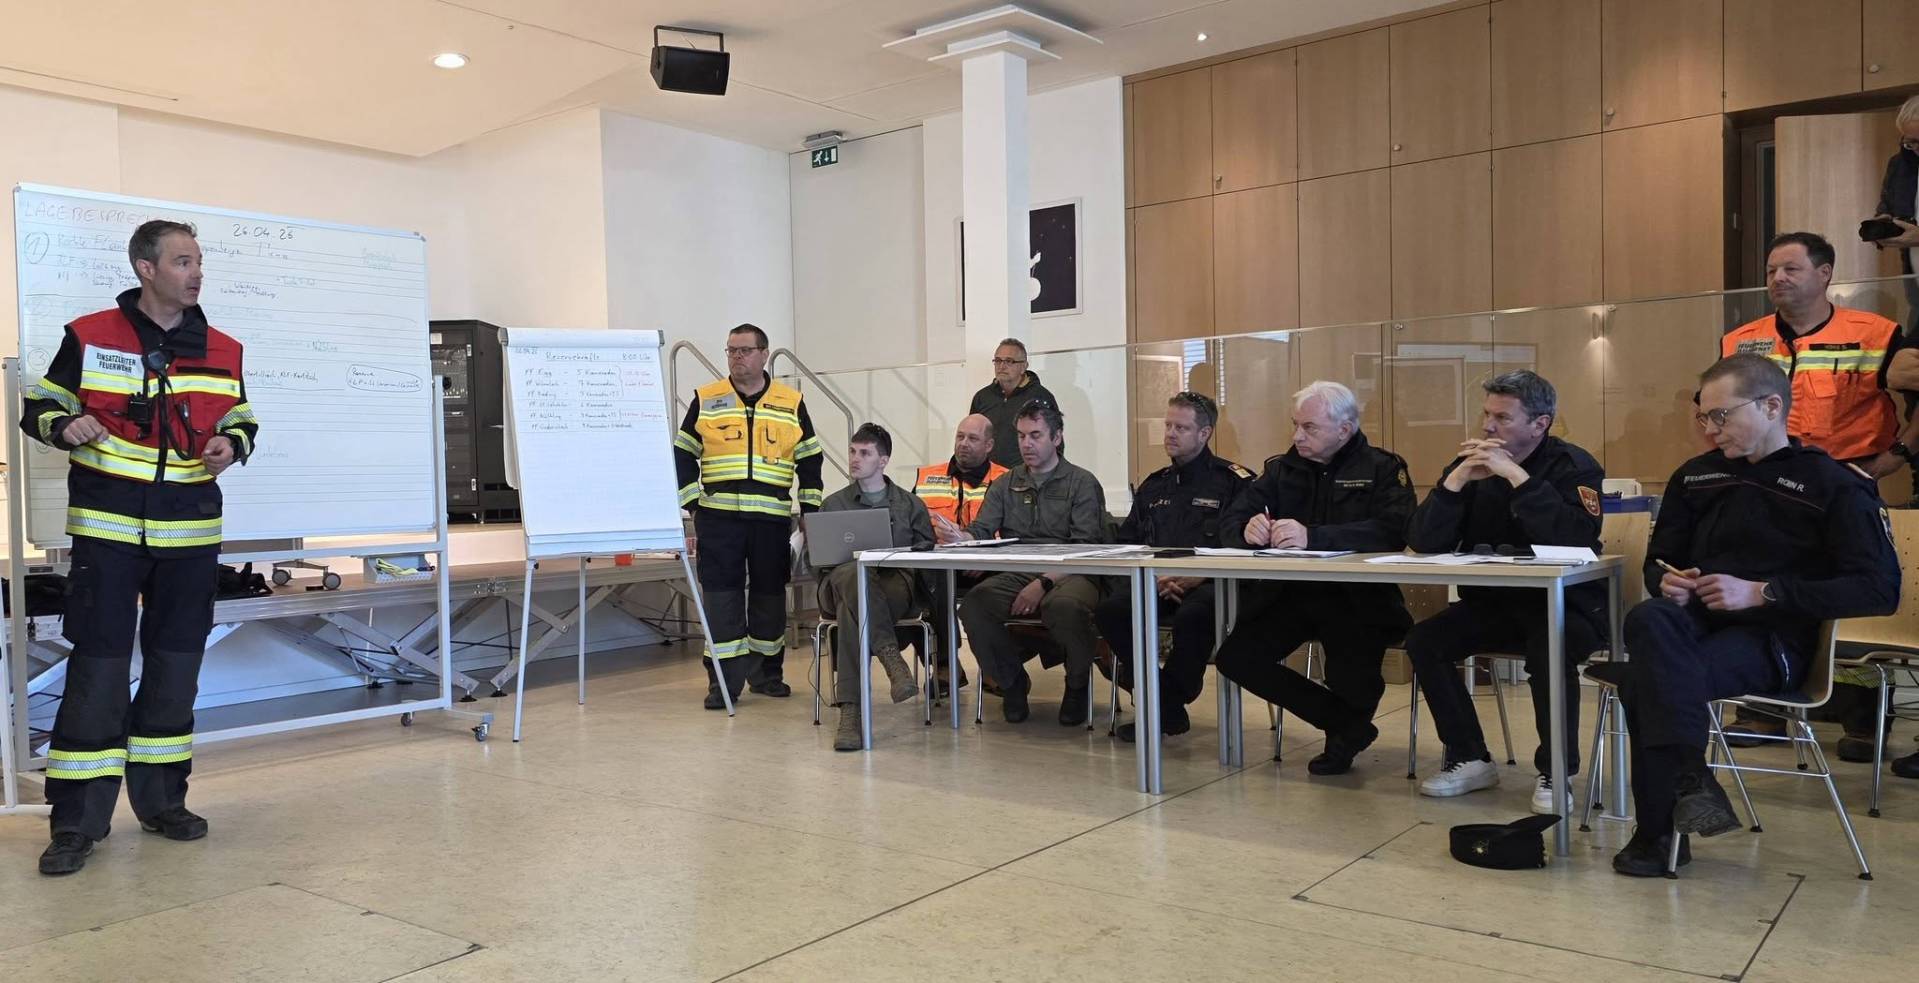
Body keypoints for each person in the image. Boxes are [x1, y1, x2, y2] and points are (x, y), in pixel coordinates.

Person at [22, 220, 260, 876]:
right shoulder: (91, 335)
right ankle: (76, 822)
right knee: (96, 671)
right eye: (183, 261)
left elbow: (240, 415)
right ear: (145, 267)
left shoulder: (222, 347)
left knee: (175, 671)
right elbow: (39, 406)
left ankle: (162, 803)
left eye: (199, 261)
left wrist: (230, 444)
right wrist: (65, 423)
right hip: (107, 529)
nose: (195, 272)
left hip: (190, 535)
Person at [1608, 354, 1899, 876]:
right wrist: (1666, 580)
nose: (1710, 429)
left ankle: (1657, 835)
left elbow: (1878, 590)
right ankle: (1691, 781)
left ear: (1771, 406)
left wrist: (1764, 593)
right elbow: (1659, 563)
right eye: (1703, 417)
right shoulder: (1694, 477)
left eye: (1722, 415)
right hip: (1691, 627)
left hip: (1774, 642)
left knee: (1645, 679)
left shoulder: (1833, 484)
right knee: (1649, 619)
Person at [1719, 232, 1918, 756]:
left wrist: (1899, 455)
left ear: (1825, 274)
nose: (1777, 279)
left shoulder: (1875, 333)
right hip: (1766, 490)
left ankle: (1861, 721)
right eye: (1770, 271)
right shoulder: (1743, 339)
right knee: (1761, 587)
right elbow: (1714, 403)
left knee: (1849, 595)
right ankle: (1760, 711)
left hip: (1844, 488)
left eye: (1791, 269)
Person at [1407, 370, 1608, 814]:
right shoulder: (1472, 465)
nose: (1488, 427)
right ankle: (1470, 757)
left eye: (1502, 417)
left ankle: (1557, 770)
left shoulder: (1576, 466)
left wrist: (1518, 477)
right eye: (1486, 414)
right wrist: (1454, 484)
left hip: (1565, 608)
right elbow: (1424, 541)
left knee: (1548, 649)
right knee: (1425, 641)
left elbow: (1576, 539)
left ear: (1540, 423)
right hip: (1495, 604)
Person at [1211, 382, 1415, 774]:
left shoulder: (1383, 468)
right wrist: (1245, 530)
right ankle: (1346, 724)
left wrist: (1314, 536)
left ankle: (1342, 739)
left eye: (1309, 428)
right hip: (1290, 595)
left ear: (1345, 429)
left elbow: (1395, 530)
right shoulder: (1281, 468)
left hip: (1356, 597)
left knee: (1352, 672)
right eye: (1295, 426)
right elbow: (1232, 519)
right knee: (1236, 657)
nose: (1297, 436)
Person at [674, 323, 824, 709]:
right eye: (730, 351)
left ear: (763, 354)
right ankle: (722, 684)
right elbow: (682, 453)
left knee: (770, 599)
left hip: (772, 522)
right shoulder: (707, 399)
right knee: (721, 601)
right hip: (719, 520)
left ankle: (767, 677)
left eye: (744, 350)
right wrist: (694, 503)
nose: (736, 357)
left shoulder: (791, 402)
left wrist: (811, 512)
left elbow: (810, 460)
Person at [1091, 392, 1253, 742]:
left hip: (1213, 584)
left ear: (1205, 433)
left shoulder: (1234, 482)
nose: (1170, 434)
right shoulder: (1155, 485)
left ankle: (1165, 703)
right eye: (1167, 425)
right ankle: (1169, 706)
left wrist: (1201, 575)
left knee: (1194, 616)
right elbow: (1127, 543)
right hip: (1158, 581)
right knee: (1111, 611)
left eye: (1181, 427)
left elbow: (1246, 547)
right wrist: (1151, 574)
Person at [941, 402, 1111, 724]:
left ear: (1057, 437)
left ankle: (1077, 683)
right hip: (1018, 571)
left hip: (1073, 571)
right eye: (1021, 436)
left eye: (1036, 435)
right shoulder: (1006, 483)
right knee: (975, 606)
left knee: (1064, 606)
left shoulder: (1081, 482)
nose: (1026, 444)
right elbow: (982, 530)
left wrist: (1044, 582)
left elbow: (1087, 549)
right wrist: (962, 539)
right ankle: (1011, 682)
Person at [813, 424, 934, 751]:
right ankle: (891, 657)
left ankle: (850, 713)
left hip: (894, 584)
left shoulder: (909, 505)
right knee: (854, 574)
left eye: (864, 453)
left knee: (853, 610)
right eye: (853, 451)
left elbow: (927, 552)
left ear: (883, 460)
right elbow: (818, 561)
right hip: (839, 582)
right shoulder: (833, 504)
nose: (855, 459)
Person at [911, 413, 1009, 694]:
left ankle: (993, 667)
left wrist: (985, 557)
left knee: (992, 595)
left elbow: (1015, 530)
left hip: (987, 567)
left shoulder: (1005, 479)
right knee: (923, 585)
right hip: (939, 565)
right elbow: (910, 522)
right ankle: (944, 665)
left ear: (989, 445)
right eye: (960, 436)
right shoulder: (928, 476)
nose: (964, 444)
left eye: (973, 439)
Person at [968, 338, 1059, 469]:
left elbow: (1055, 443)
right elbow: (973, 437)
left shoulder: (1040, 397)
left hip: (1026, 479)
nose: (1002, 366)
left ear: (1024, 366)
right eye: (998, 361)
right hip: (987, 478)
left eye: (1009, 361)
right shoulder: (982, 397)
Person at [1870, 94, 1919, 330]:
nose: (1915, 149)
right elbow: (1887, 205)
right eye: (1911, 142)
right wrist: (1883, 223)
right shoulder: (1899, 164)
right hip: (1915, 287)